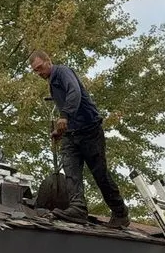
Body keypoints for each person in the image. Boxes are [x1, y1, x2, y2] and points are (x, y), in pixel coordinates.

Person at [28, 50, 130, 229]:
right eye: (35, 71)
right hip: (72, 134)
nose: (39, 73)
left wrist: (65, 116)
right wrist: (60, 131)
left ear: (48, 61)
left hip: (90, 131)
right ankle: (78, 208)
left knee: (100, 174)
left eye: (40, 68)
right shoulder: (52, 82)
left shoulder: (62, 72)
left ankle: (120, 212)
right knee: (71, 171)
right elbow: (66, 109)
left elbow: (74, 92)